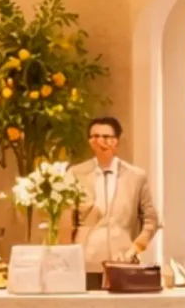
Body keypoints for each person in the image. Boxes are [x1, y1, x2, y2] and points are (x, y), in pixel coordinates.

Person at [64, 116, 161, 285]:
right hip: (85, 260)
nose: (100, 141)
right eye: (95, 136)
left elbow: (151, 219)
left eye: (106, 137)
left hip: (122, 259)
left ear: (116, 141)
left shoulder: (136, 176)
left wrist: (136, 247)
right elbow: (66, 220)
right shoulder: (76, 173)